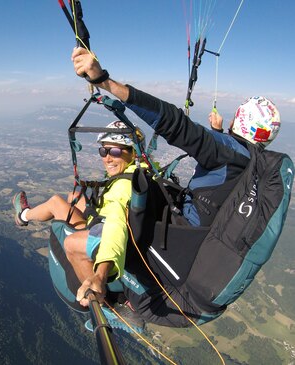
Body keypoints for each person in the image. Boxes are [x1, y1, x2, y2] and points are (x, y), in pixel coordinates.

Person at [70, 47, 281, 326]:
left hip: (178, 248)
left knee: (103, 225)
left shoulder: (226, 152)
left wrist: (105, 82)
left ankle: (120, 306)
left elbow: (174, 122)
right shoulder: (253, 166)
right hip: (202, 253)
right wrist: (217, 135)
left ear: (238, 120)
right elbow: (224, 179)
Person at [13, 120, 146, 332]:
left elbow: (116, 225)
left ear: (132, 152)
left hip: (108, 240)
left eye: (114, 150)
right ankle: (25, 215)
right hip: (110, 228)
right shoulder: (142, 171)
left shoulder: (124, 188)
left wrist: (101, 275)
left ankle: (23, 215)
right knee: (74, 196)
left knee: (57, 204)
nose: (107, 157)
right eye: (103, 150)